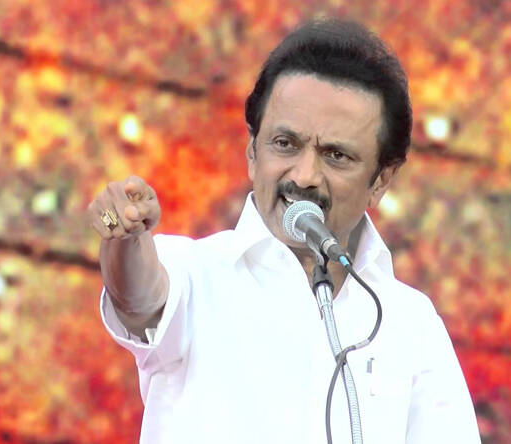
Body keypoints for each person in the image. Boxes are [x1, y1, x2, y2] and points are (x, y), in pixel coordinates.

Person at [87, 19, 480, 444]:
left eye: (336, 155)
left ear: (381, 180)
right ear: (251, 151)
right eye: (285, 144)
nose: (305, 175)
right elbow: (137, 296)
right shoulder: (194, 273)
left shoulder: (409, 322)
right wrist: (123, 234)